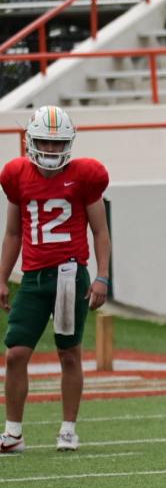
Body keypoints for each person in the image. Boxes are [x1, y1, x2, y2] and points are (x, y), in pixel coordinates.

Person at [0, 105, 111, 454]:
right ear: (30, 142)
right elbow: (13, 233)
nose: (51, 151)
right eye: (45, 144)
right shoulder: (16, 175)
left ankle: (67, 429)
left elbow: (100, 230)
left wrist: (102, 277)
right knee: (16, 353)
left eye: (58, 144)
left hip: (69, 275)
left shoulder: (85, 175)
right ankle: (13, 432)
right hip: (33, 278)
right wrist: (2, 278)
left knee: (69, 355)